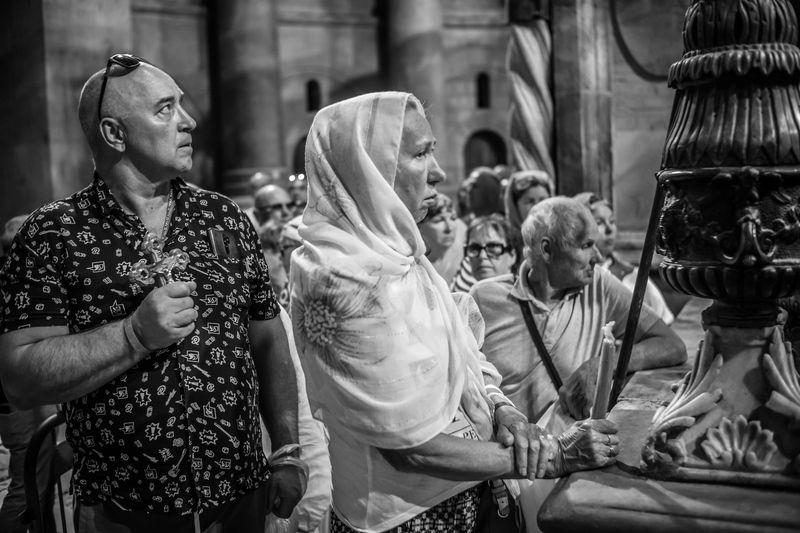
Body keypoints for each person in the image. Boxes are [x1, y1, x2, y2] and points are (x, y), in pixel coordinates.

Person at [0, 54, 306, 532]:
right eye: (166, 109)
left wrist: (287, 449)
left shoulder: (223, 217)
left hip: (242, 496)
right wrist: (133, 336)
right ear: (114, 134)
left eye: (182, 106)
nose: (190, 121)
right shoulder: (52, 234)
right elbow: (19, 377)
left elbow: (267, 339)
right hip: (123, 511)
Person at [290, 92, 619, 533]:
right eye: (421, 153)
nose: (439, 173)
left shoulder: (401, 256)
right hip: (407, 518)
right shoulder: (340, 280)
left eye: (434, 151)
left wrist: (504, 411)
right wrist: (557, 455)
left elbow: (463, 355)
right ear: (368, 166)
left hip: (472, 490)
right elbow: (412, 447)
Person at [471, 197, 687, 427]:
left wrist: (599, 365)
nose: (599, 257)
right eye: (585, 246)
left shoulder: (599, 285)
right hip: (504, 451)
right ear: (547, 250)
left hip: (571, 452)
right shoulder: (483, 298)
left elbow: (672, 346)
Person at [0, 214, 58, 533]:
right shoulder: (15, 286)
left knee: (38, 484)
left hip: (16, 401)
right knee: (26, 487)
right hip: (19, 402)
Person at [574, 192, 674, 325]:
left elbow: (664, 322)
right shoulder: (574, 281)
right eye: (599, 223)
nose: (609, 229)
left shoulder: (632, 276)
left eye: (611, 221)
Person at [417, 193, 465, 286]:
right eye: (438, 220)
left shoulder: (464, 239)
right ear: (419, 226)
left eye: (453, 218)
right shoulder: (412, 260)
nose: (449, 228)